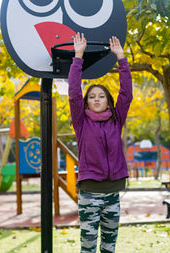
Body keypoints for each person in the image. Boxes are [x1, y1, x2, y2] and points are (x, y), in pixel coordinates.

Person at [68, 32, 133, 253]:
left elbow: (126, 93)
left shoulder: (116, 119)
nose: (96, 99)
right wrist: (78, 56)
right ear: (87, 102)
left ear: (108, 101)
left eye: (101, 96)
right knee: (88, 246)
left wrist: (121, 58)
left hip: (113, 192)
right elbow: (74, 93)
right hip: (89, 193)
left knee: (109, 246)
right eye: (92, 96)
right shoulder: (81, 122)